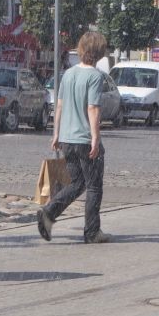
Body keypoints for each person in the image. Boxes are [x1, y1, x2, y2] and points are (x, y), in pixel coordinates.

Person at [37, 31, 111, 245]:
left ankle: (49, 212)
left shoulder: (68, 74)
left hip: (67, 139)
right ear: (99, 52)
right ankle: (92, 232)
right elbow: (93, 108)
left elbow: (58, 105)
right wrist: (95, 138)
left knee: (77, 183)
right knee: (94, 186)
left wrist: (56, 133)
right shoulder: (95, 76)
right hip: (85, 139)